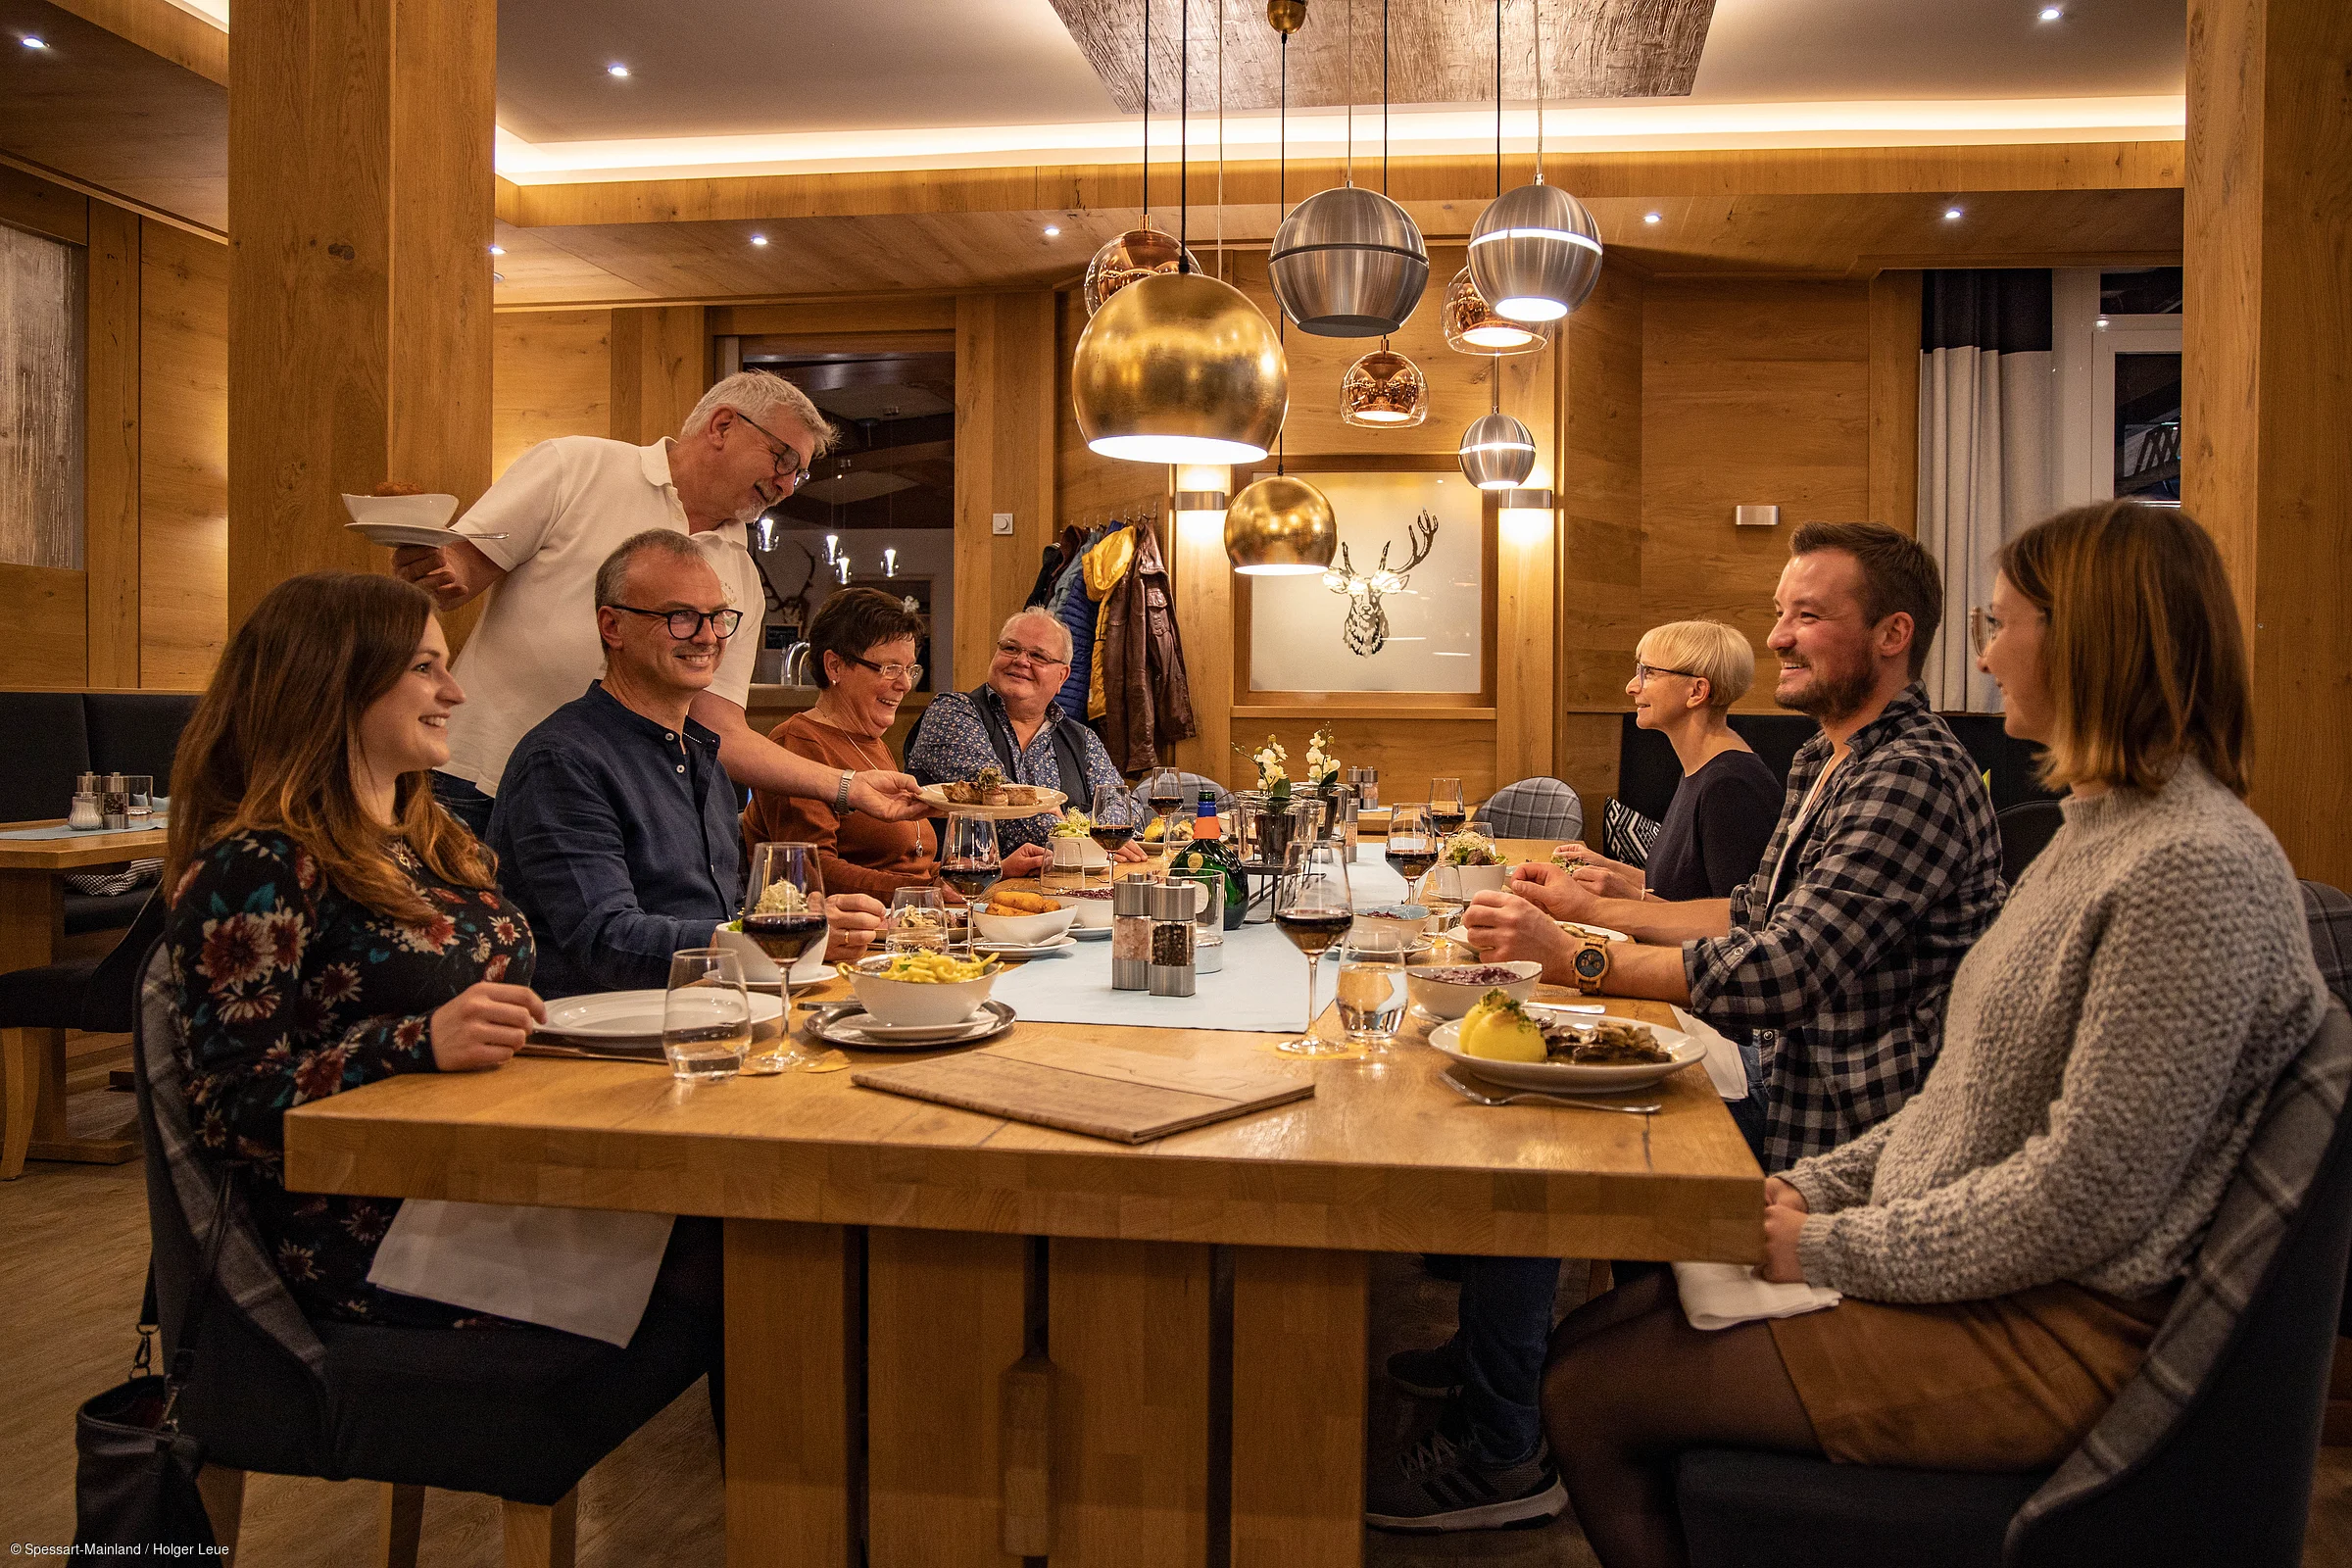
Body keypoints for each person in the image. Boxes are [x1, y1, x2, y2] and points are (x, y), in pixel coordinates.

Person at [1541, 500, 2328, 1568]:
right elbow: (1961, 1094)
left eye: (2003, 625)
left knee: (1593, 1387)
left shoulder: (2191, 866)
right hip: (1992, 1267)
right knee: (1594, 1335)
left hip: (2063, 1328)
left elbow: (2084, 1195)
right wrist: (1816, 1189)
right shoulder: (2099, 834)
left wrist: (1823, 1241)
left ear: (2094, 639)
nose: (1988, 654)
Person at [1370, 524, 2004, 1534]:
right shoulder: (1826, 762)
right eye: (1780, 609)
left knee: (1543, 1160)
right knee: (1548, 1199)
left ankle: (1507, 1450)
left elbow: (1785, 969)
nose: (1779, 635)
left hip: (1847, 1145)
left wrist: (1578, 954)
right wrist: (1599, 910)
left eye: (1807, 615)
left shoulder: (1910, 773)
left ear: (1892, 634)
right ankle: (1504, 1410)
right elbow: (1747, 912)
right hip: (1801, 1122)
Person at [389, 369, 926, 837]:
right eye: (782, 458)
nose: (787, 485)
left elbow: (720, 731)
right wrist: (429, 564)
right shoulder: (576, 467)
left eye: (799, 472)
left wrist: (848, 785)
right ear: (721, 426)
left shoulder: (738, 571)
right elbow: (458, 573)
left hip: (608, 804)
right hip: (477, 778)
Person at [490, 531, 883, 999]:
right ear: (612, 626)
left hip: (717, 1010)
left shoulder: (702, 754)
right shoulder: (561, 760)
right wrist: (765, 938)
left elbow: (725, 912)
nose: (707, 636)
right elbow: (605, 941)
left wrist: (796, 918)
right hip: (601, 1039)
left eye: (718, 618)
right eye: (680, 617)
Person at [741, 586, 1055, 891]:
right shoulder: (798, 742)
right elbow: (810, 872)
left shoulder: (871, 744)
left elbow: (906, 865)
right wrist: (928, 889)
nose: (905, 684)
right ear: (834, 665)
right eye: (890, 668)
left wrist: (995, 870)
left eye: (909, 669)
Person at [1556, 620, 1781, 904]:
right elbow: (1678, 889)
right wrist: (1605, 867)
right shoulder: (1701, 768)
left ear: (1697, 692)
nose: (1631, 686)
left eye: (1648, 673)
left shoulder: (1731, 785)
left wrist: (1630, 897)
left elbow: (1735, 923)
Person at [905, 608, 1148, 864]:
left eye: (1038, 656)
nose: (1021, 660)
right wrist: (1087, 836)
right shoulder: (952, 712)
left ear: (1062, 676)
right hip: (970, 892)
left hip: (1072, 890)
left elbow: (1127, 808)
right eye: (1010, 648)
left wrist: (1082, 828)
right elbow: (999, 803)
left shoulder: (1082, 739)